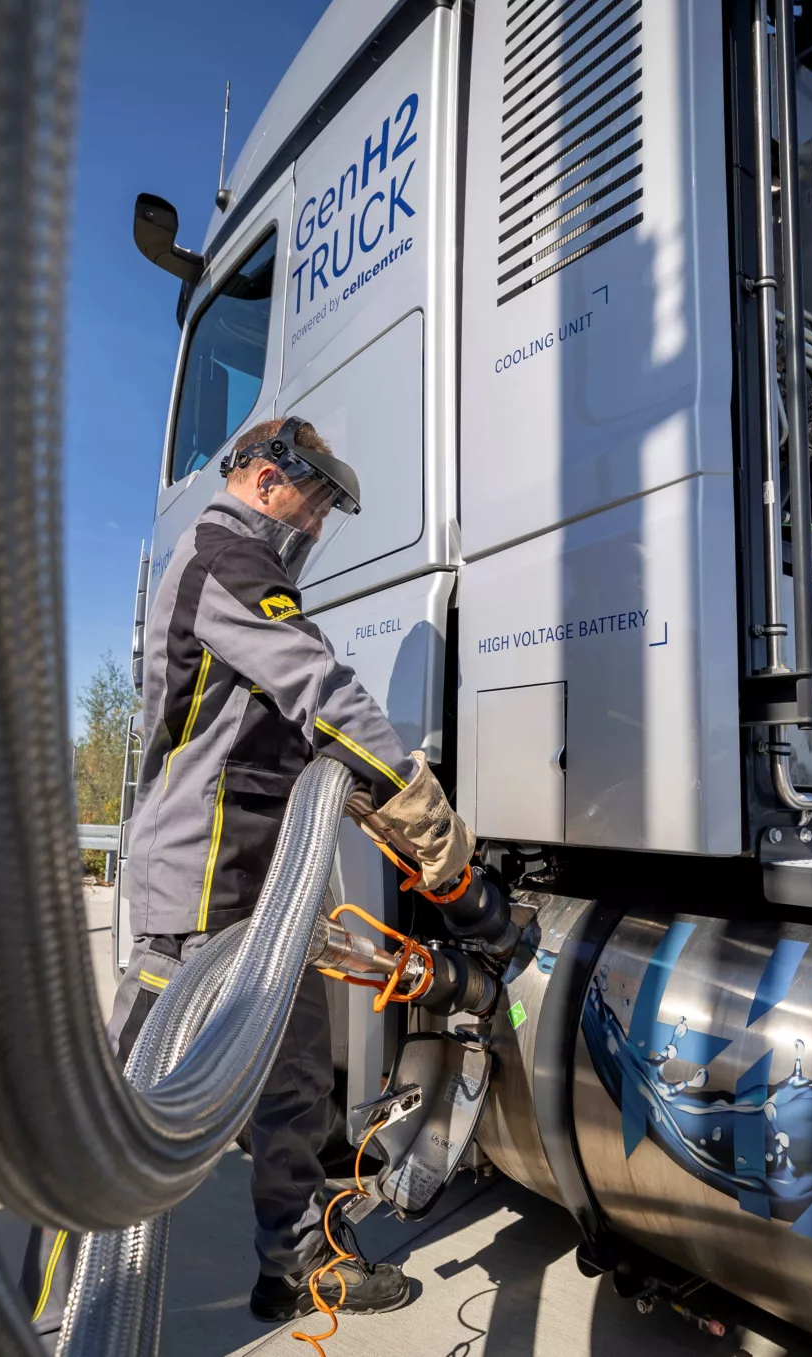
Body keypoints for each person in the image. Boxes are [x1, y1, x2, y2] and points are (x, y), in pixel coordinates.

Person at [108, 415, 472, 1322]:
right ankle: (56, 1307)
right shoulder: (221, 554)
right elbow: (320, 690)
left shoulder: (253, 566)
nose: (313, 528)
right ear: (267, 478)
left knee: (299, 1079)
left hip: (271, 884)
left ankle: (298, 1261)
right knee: (129, 1108)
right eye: (311, 505)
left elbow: (293, 731)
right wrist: (423, 812)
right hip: (198, 880)